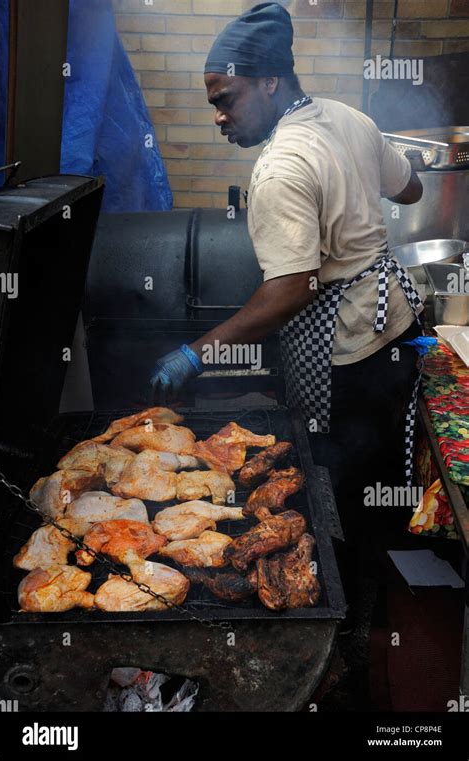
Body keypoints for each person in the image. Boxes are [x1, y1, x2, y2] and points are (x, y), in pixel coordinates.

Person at [150, 2, 424, 611]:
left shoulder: (279, 168)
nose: (219, 116)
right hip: (397, 329)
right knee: (378, 473)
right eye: (213, 102)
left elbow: (292, 291)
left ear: (270, 80)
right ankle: (377, 593)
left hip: (346, 352)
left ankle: (343, 615)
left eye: (228, 98)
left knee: (330, 485)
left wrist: (196, 354)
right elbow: (410, 187)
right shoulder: (349, 118)